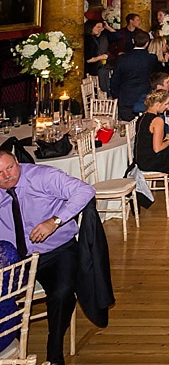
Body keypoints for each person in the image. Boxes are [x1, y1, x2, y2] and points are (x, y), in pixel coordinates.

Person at [0, 149, 95, 365]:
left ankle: (54, 352)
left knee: (62, 293)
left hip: (56, 250)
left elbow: (84, 190)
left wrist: (55, 221)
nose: (7, 176)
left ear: (17, 162)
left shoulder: (42, 177)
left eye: (10, 167)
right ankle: (10, 345)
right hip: (14, 258)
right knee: (3, 295)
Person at [110, 30, 157, 121]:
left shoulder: (122, 59)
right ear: (147, 43)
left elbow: (115, 79)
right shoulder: (151, 58)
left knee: (127, 125)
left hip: (126, 98)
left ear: (132, 41)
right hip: (144, 98)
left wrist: (115, 94)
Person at [83, 19, 111, 91]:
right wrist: (100, 57)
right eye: (97, 27)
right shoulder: (88, 39)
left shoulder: (93, 38)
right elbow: (88, 59)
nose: (99, 29)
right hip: (90, 71)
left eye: (100, 27)